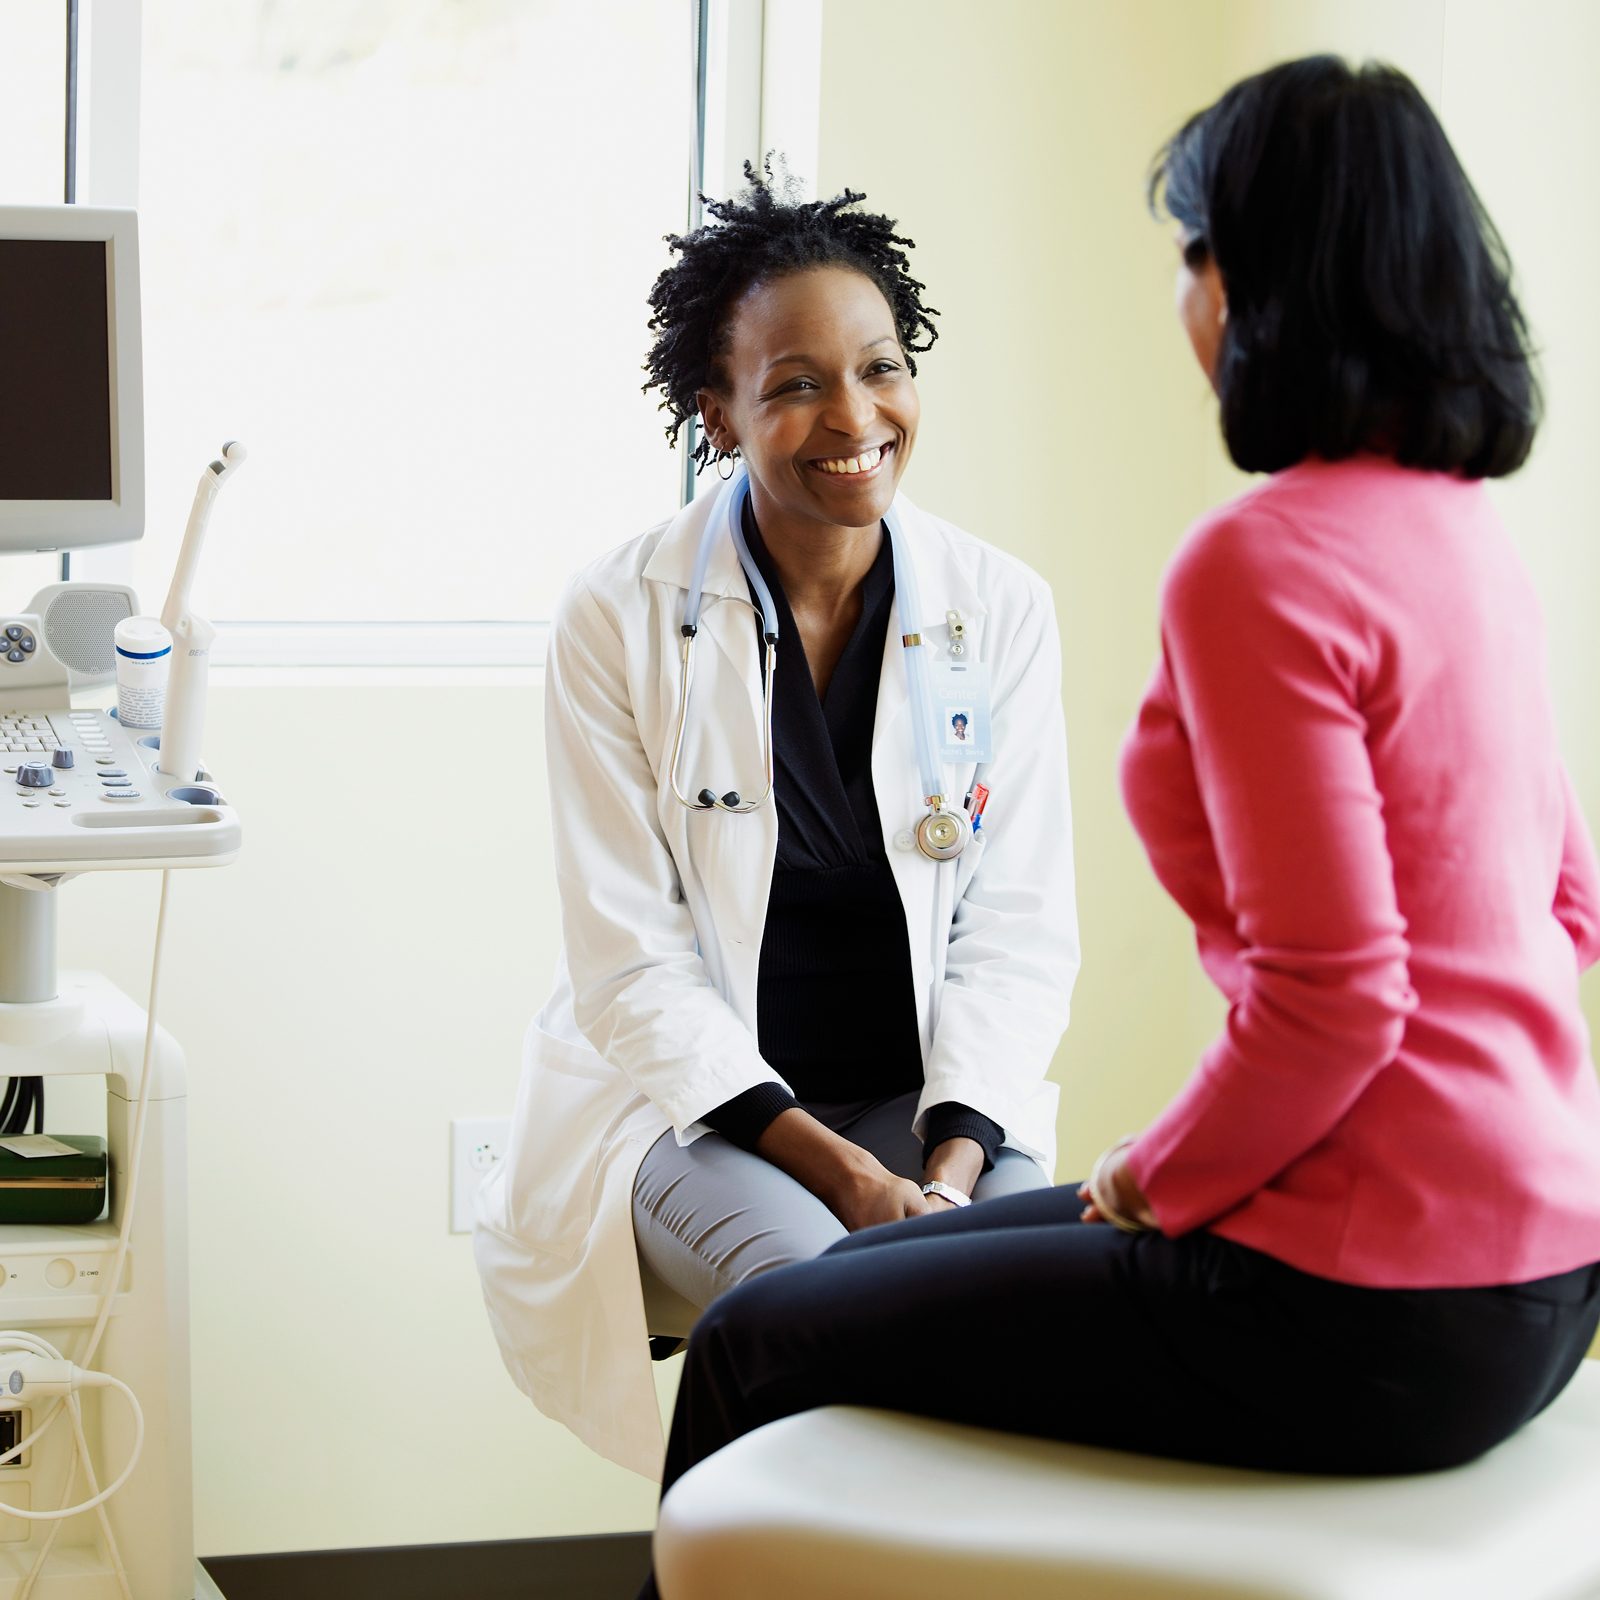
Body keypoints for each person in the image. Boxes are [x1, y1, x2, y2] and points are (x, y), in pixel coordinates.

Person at [640, 56, 1600, 1573]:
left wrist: (1161, 1177)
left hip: (1356, 1308)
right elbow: (1567, 914)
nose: (1183, 296)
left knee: (756, 1340)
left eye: (1192, 251)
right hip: (1551, 1280)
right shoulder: (1469, 536)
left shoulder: (1262, 563)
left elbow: (1339, 1003)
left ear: (1254, 283)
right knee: (872, 1290)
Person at [474, 162, 1079, 1477]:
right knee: (815, 1314)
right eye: (796, 384)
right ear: (718, 410)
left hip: (939, 1111)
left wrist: (949, 1174)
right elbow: (632, 967)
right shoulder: (618, 614)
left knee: (1031, 1331)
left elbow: (1020, 931)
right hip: (702, 1112)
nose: (854, 416)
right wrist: (854, 1187)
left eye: (881, 367)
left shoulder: (1000, 607)